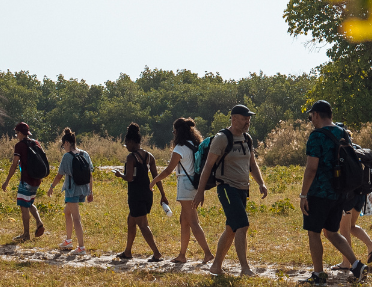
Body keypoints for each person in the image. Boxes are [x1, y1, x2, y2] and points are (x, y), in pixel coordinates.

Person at [195, 104, 269, 277]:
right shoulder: (222, 138)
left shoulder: (246, 138)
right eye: (244, 119)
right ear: (234, 119)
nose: (247, 122)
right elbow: (208, 167)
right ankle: (245, 268)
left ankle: (215, 267)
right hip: (227, 188)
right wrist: (200, 191)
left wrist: (261, 183)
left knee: (231, 228)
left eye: (248, 119)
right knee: (242, 225)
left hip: (243, 189)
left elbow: (252, 164)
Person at [299, 100, 366, 284]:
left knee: (314, 232)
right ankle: (357, 265)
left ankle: (318, 274)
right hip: (340, 192)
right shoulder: (343, 133)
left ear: (317, 114)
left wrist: (303, 195)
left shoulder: (316, 136)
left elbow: (312, 168)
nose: (311, 119)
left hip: (320, 192)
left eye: (311, 115)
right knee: (332, 232)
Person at [150, 118, 214, 264]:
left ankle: (208, 253)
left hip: (185, 184)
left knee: (192, 221)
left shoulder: (179, 147)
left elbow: (168, 170)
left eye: (174, 131)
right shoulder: (195, 144)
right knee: (184, 221)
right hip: (194, 183)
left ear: (178, 132)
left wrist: (154, 180)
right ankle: (182, 255)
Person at [112, 123, 168, 261]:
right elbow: (157, 177)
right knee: (131, 220)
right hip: (148, 193)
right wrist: (163, 194)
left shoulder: (131, 158)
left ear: (131, 142)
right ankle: (127, 252)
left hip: (136, 195)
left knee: (142, 224)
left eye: (126, 144)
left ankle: (156, 253)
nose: (126, 147)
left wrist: (120, 175)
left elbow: (129, 178)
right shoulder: (150, 156)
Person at [329, 130, 372, 270]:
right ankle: (371, 245)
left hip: (348, 197)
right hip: (360, 196)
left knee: (344, 231)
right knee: (351, 227)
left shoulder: (343, 152)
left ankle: (346, 263)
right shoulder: (358, 150)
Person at [47, 127, 94, 254]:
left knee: (76, 218)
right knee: (67, 212)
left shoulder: (67, 156)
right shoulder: (85, 154)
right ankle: (68, 240)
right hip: (83, 189)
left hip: (71, 190)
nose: (64, 148)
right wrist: (90, 191)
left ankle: (81, 247)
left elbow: (59, 175)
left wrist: (51, 187)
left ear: (66, 143)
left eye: (63, 145)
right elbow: (90, 174)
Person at [1, 122, 47, 242]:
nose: (16, 135)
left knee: (23, 206)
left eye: (17, 133)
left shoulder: (19, 146)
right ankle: (39, 223)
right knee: (29, 203)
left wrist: (6, 181)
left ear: (21, 133)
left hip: (26, 179)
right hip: (37, 179)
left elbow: (14, 164)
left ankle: (26, 235)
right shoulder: (36, 143)